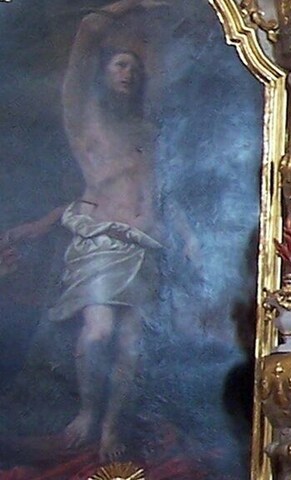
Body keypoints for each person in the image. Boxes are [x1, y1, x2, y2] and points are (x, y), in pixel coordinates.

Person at [0, 0, 171, 461]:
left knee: (131, 345)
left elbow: (155, 192)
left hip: (144, 245)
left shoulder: (146, 131)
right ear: (103, 72)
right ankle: (88, 415)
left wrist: (189, 243)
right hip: (100, 243)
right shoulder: (85, 119)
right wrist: (135, 4)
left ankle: (111, 428)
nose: (128, 73)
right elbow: (87, 33)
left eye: (135, 67)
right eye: (120, 65)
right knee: (97, 332)